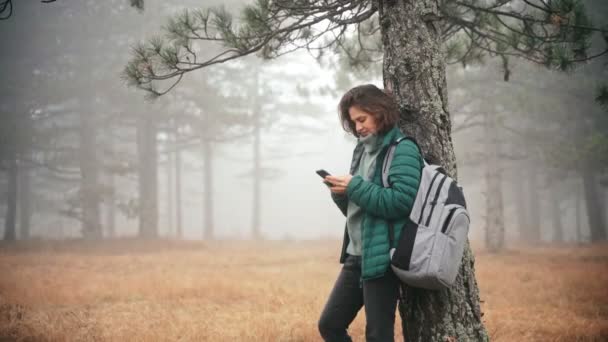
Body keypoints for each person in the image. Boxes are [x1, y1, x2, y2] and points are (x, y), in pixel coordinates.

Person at [317, 84, 423, 342]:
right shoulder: (361, 150)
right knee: (329, 325)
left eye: (362, 119)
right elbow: (360, 210)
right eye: (353, 122)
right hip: (355, 256)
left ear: (379, 111)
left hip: (383, 258)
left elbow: (401, 202)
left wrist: (355, 186)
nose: (358, 127)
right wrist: (341, 193)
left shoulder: (403, 149)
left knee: (378, 336)